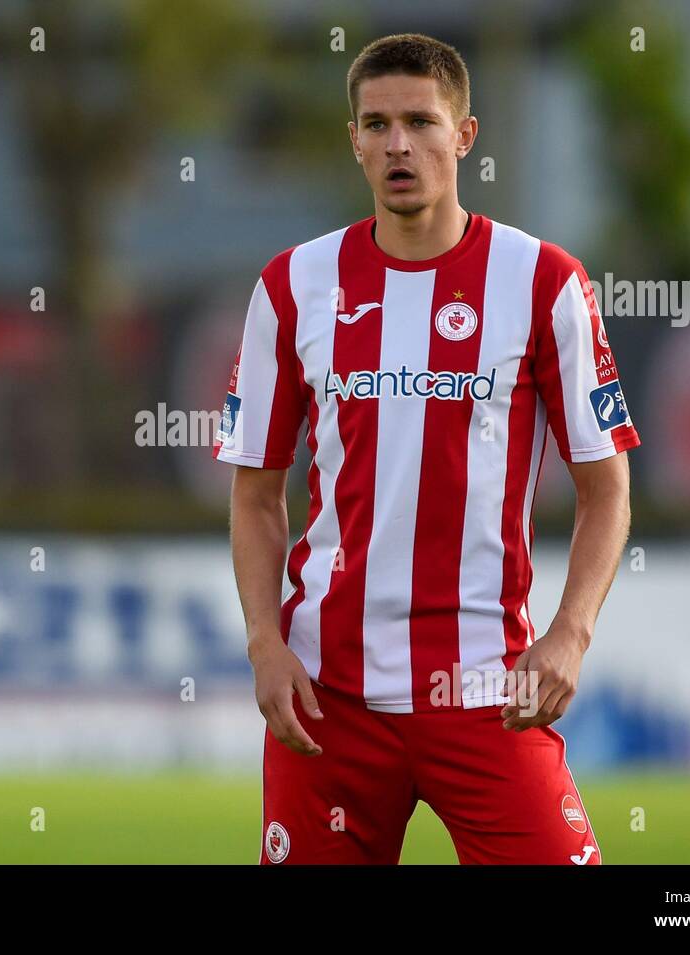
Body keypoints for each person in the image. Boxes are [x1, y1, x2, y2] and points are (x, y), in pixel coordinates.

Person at [214, 32, 639, 865]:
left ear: (464, 135)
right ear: (355, 141)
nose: (397, 144)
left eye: (420, 121)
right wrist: (265, 642)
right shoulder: (292, 286)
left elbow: (608, 489)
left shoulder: (544, 282)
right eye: (376, 124)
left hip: (488, 691)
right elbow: (256, 495)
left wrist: (570, 634)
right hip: (326, 696)